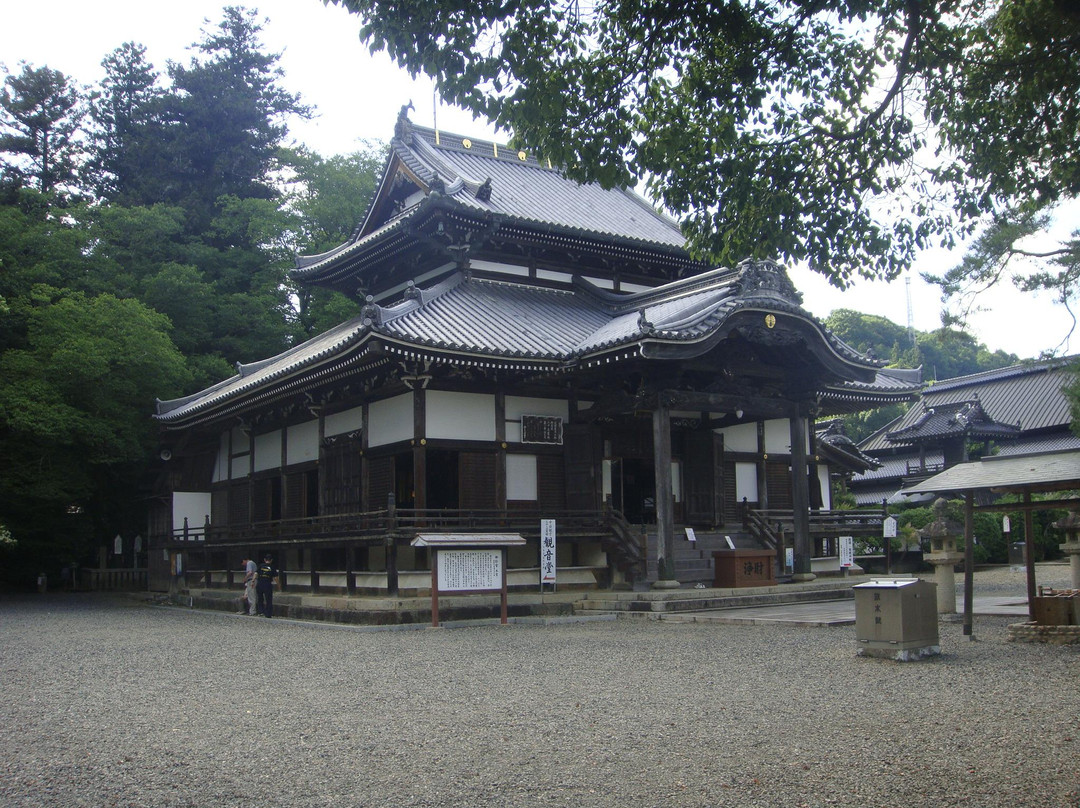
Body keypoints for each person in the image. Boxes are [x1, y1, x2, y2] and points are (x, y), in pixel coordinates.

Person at [255, 553, 279, 618]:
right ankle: (268, 613)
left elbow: (256, 573)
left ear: (264, 559)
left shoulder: (260, 566)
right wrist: (278, 585)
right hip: (267, 584)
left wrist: (253, 581)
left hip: (260, 583)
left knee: (260, 598)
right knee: (268, 599)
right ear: (271, 560)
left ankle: (260, 611)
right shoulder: (272, 567)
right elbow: (276, 577)